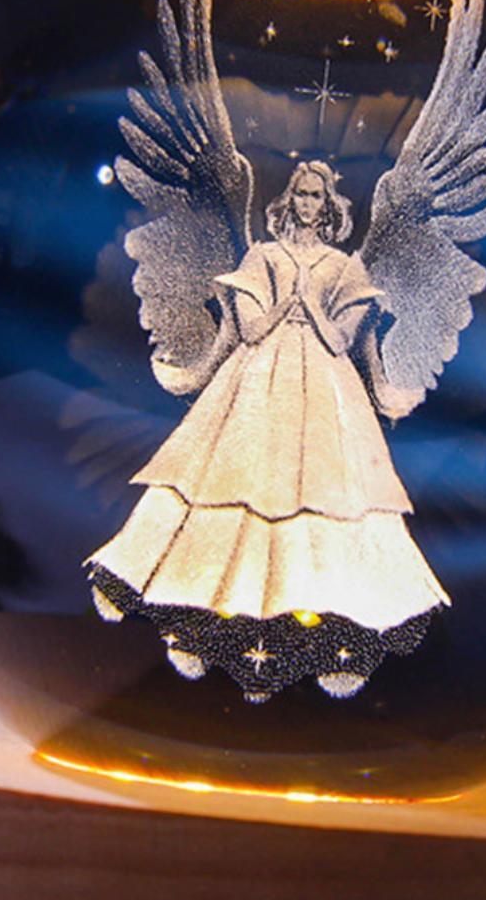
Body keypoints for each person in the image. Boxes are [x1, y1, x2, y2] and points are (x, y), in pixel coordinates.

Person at [87, 161, 448, 672]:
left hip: (325, 388)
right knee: (227, 482)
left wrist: (310, 304)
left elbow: (340, 340)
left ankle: (329, 632)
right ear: (289, 199)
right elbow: (252, 330)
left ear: (328, 205)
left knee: (327, 491)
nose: (307, 204)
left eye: (316, 196)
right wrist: (285, 306)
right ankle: (197, 617)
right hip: (257, 379)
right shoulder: (263, 255)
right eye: (300, 194)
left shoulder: (343, 266)